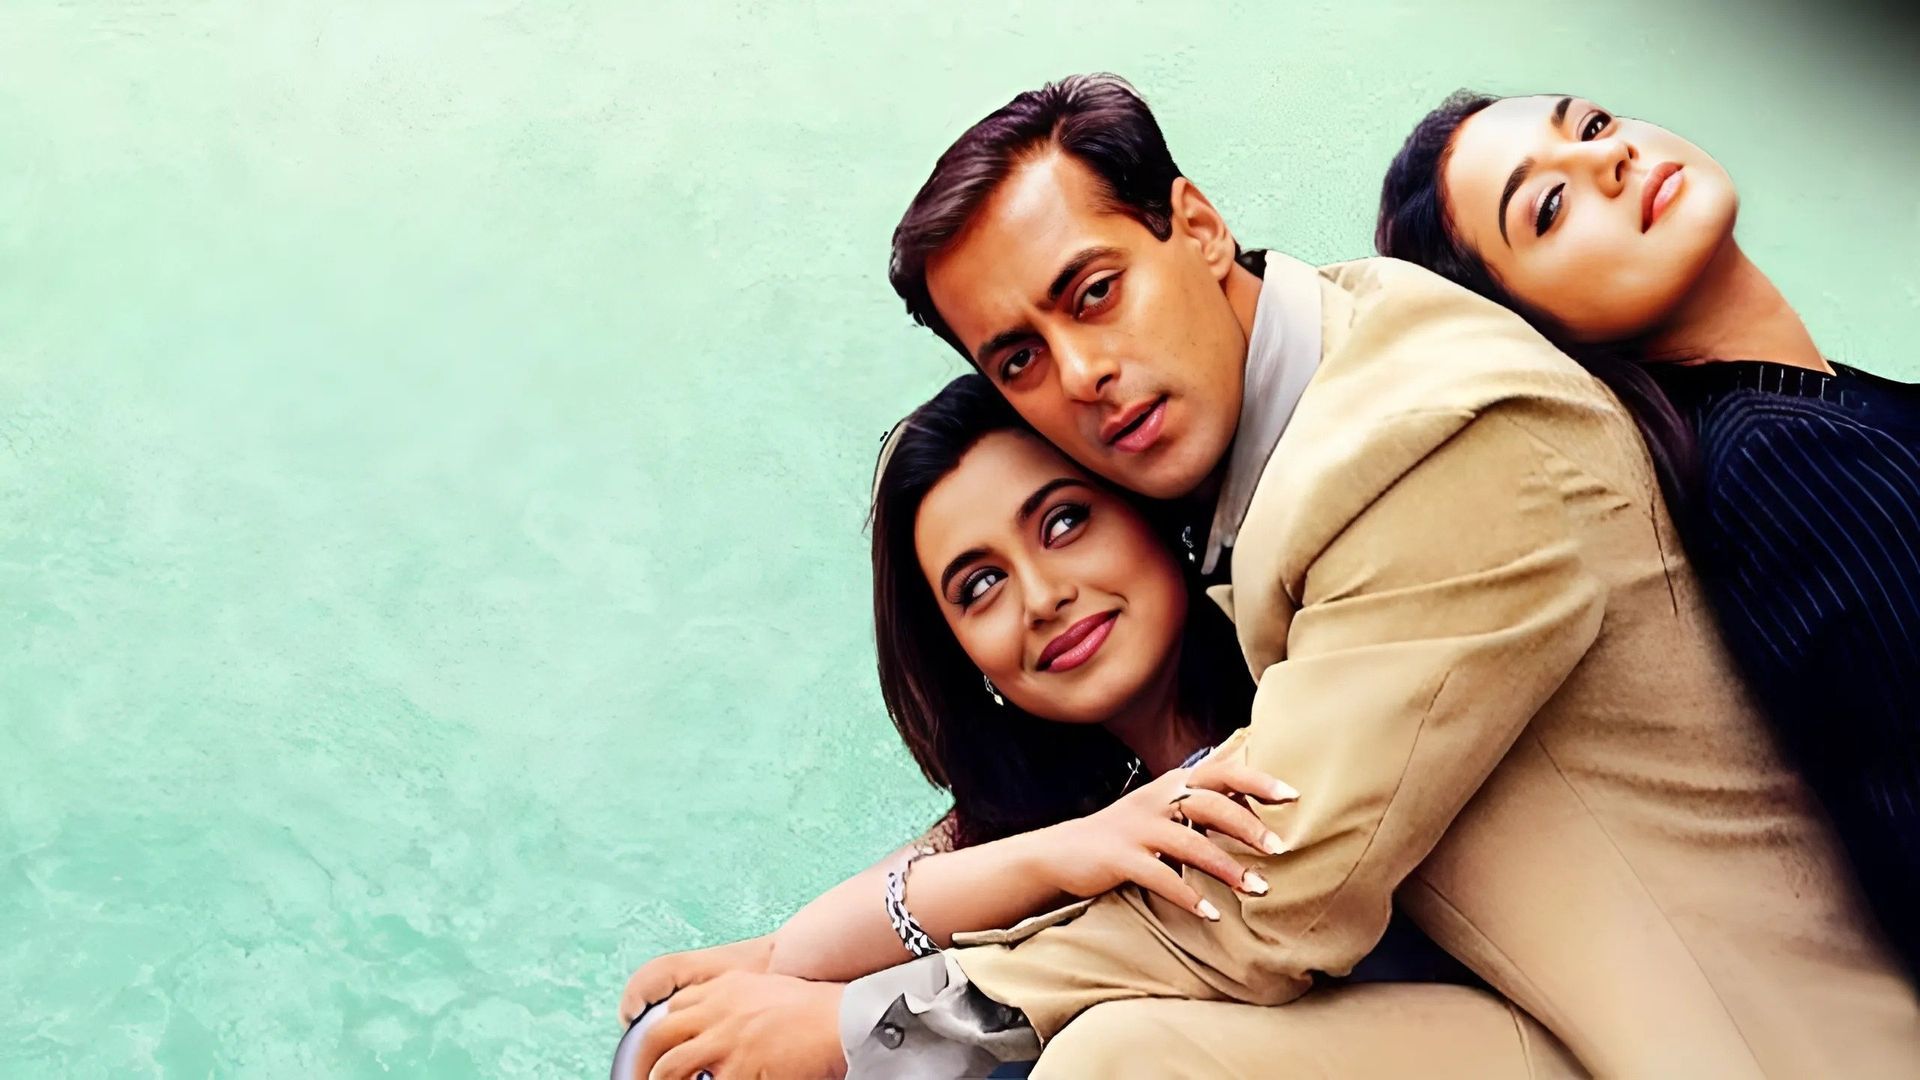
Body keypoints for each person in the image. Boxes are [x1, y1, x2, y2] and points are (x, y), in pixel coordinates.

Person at [828, 73, 1920, 1077]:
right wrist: (852, 940)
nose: (1081, 375)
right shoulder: (1290, 419)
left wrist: (870, 1034)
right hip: (1563, 1023)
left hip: (1769, 1053)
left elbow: (1275, 891)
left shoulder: (1428, 429)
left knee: (1129, 1063)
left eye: (1096, 292)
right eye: (1019, 358)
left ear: (1198, 226)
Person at [619, 376, 1533, 1079]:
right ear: (966, 659)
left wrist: (845, 1019)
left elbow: (1250, 930)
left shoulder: (1303, 678)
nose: (1042, 596)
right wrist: (769, 963)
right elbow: (878, 907)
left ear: (1147, 506)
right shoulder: (1088, 794)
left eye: (1063, 522)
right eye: (981, 585)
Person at [1376, 90, 1920, 981]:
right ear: (1533, 328)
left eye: (1591, 125)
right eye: (1549, 206)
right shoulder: (1778, 463)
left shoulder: (1812, 407)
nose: (1609, 157)